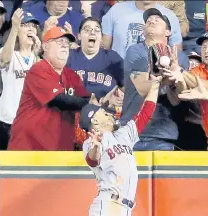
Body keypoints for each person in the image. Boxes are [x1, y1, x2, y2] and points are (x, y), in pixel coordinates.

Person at [30, 75, 162, 216]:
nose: (109, 113)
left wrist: (156, 84)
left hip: (125, 213)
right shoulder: (93, 142)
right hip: (109, 205)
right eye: (103, 112)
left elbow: (146, 112)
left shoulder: (124, 135)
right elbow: (93, 160)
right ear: (96, 122)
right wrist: (97, 147)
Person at [8, 26, 93, 151]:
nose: (64, 46)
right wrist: (90, 103)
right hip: (29, 148)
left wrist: (101, 102)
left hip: (59, 149)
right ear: (45, 46)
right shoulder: (38, 69)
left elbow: (87, 99)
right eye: (59, 42)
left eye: (66, 43)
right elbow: (58, 99)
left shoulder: (72, 75)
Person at [121, 8, 189, 151]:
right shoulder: (135, 50)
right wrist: (165, 78)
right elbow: (142, 89)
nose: (151, 20)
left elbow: (177, 99)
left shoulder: (179, 57)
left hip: (164, 132)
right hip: (133, 129)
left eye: (157, 20)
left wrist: (176, 78)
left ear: (168, 32)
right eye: (148, 21)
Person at [67, 17, 124, 150]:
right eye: (87, 30)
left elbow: (126, 86)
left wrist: (117, 97)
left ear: (101, 37)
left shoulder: (112, 58)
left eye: (96, 30)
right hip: (72, 117)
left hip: (104, 119)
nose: (92, 32)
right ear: (79, 36)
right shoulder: (69, 57)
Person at [0, 9, 41, 150]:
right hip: (8, 121)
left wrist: (36, 55)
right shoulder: (9, 52)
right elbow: (4, 60)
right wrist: (15, 27)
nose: (30, 28)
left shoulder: (39, 61)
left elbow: (39, 86)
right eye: (26, 25)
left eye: (33, 26)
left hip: (30, 122)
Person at [101, 0, 182, 59]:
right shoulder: (116, 10)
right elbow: (104, 48)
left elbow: (176, 54)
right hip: (118, 74)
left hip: (154, 75)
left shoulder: (170, 16)